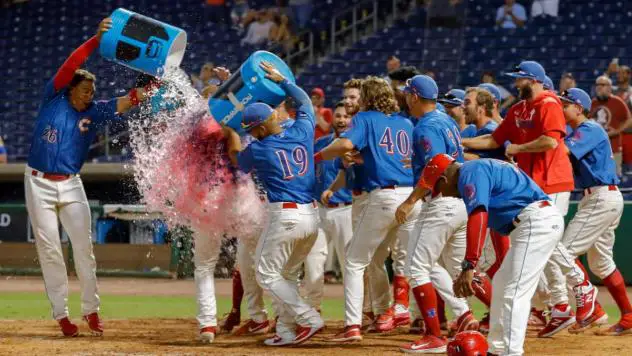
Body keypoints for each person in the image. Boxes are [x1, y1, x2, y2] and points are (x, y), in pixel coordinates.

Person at [25, 18, 149, 337]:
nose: (89, 95)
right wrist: (95, 41)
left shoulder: (94, 111)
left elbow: (124, 102)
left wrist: (146, 92)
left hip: (70, 183)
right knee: (50, 248)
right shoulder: (53, 97)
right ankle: (61, 315)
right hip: (38, 182)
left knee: (84, 248)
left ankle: (91, 310)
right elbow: (72, 63)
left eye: (92, 91)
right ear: (71, 88)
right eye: (84, 90)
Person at [464, 60, 576, 337]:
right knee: (524, 258)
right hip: (532, 184)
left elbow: (551, 141)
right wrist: (459, 142)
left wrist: (518, 147)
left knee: (544, 245)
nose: (515, 83)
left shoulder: (549, 104)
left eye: (520, 79)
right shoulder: (519, 108)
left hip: (551, 180)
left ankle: (576, 288)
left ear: (535, 80)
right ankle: (553, 306)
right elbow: (494, 140)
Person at [223, 61, 323, 346]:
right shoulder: (302, 130)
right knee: (287, 274)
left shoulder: (259, 148)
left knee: (265, 274)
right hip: (312, 217)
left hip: (285, 216)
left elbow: (237, 160)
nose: (251, 134)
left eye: (252, 130)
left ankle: (309, 318)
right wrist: (282, 80)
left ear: (259, 129)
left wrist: (231, 130)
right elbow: (303, 101)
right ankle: (286, 332)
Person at [425, 154, 564, 356]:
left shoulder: (469, 173)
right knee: (501, 284)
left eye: (438, 189)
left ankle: (510, 352)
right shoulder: (476, 169)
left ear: (444, 178)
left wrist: (469, 266)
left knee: (514, 292)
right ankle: (497, 349)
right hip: (529, 223)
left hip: (536, 221)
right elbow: (493, 223)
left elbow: (479, 216)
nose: (443, 195)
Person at [315, 76, 416, 342]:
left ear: (368, 97)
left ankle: (352, 326)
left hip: (383, 197)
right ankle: (395, 311)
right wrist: (362, 157)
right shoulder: (405, 122)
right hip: (411, 197)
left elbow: (345, 144)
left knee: (353, 260)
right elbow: (393, 156)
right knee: (399, 260)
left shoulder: (366, 118)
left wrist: (320, 155)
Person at [394, 75, 480, 353]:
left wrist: (410, 201)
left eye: (407, 94)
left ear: (415, 97)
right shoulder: (446, 121)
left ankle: (434, 335)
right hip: (460, 203)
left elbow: (440, 162)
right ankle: (464, 314)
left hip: (442, 201)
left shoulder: (425, 126)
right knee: (437, 265)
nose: (405, 98)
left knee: (416, 267)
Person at [558, 88, 632, 336]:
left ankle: (591, 308)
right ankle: (627, 315)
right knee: (600, 264)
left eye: (565, 104)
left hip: (601, 196)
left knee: (562, 252)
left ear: (579, 108)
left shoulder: (589, 129)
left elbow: (562, 151)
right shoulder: (581, 131)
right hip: (601, 196)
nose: (561, 107)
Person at [310, 102, 353, 290]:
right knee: (313, 262)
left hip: (346, 208)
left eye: (345, 116)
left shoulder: (356, 144)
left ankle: (358, 314)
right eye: (338, 116)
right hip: (319, 209)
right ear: (332, 119)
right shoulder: (321, 143)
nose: (341, 119)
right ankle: (313, 310)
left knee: (349, 264)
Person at [590, 75, 632, 175]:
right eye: (597, 85)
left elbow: (629, 120)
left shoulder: (617, 102)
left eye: (602, 85)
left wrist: (617, 131)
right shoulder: (593, 103)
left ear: (609, 87)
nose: (599, 87)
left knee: (615, 178)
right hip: (596, 149)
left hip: (614, 148)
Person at [462, 87, 504, 161]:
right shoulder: (483, 129)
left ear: (481, 107)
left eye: (467, 103)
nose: (463, 107)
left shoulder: (489, 130)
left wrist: (450, 152)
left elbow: (478, 161)